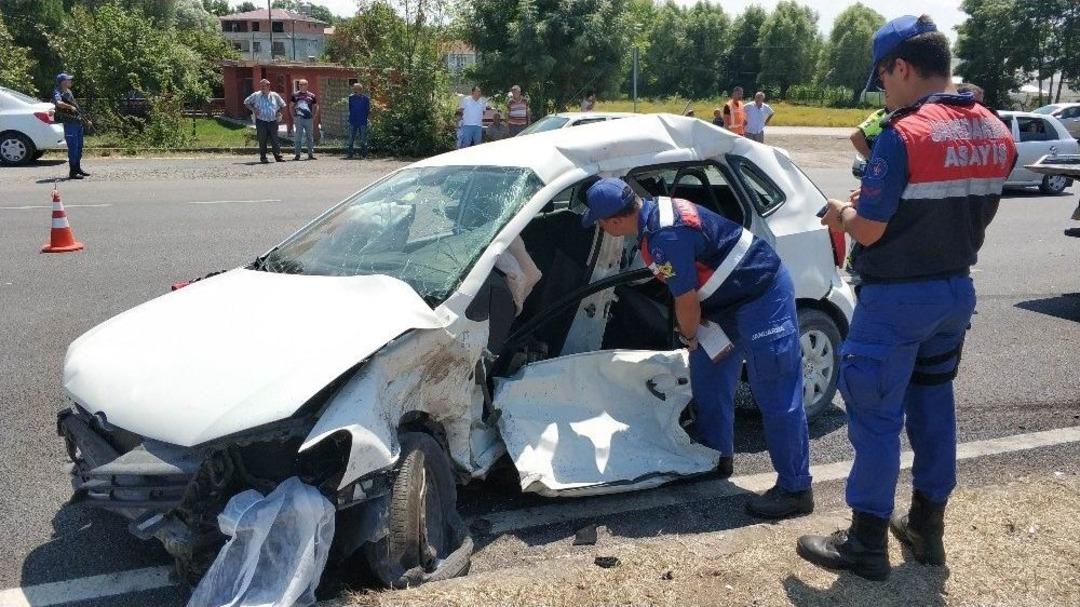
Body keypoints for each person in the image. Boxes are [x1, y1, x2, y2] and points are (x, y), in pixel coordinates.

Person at [797, 15, 1017, 581]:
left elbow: (868, 229)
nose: (884, 92)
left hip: (896, 301)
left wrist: (841, 211)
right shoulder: (996, 129)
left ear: (901, 67)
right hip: (954, 292)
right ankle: (927, 528)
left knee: (874, 417)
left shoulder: (902, 134)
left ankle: (866, 543)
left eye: (883, 79)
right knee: (934, 407)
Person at [581, 177, 814, 520]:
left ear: (615, 220)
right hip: (723, 302)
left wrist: (690, 337)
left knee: (776, 391)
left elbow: (686, 301)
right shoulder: (651, 215)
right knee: (708, 374)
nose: (600, 228)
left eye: (600, 222)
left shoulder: (665, 237)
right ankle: (713, 456)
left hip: (760, 294)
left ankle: (796, 490)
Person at [52, 73, 90, 180]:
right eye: (69, 80)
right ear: (63, 82)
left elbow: (76, 107)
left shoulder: (69, 92)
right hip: (69, 124)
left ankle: (78, 168)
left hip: (77, 122)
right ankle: (72, 172)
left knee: (79, 147)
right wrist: (69, 106)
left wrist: (85, 119)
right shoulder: (57, 92)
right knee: (73, 148)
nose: (70, 81)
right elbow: (58, 103)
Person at [244, 79, 286, 163]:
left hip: (273, 121)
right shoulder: (256, 95)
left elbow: (283, 105)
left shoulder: (275, 95)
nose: (262, 87)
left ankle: (278, 156)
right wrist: (253, 109)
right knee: (262, 140)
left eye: (264, 86)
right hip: (261, 121)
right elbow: (246, 102)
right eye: (261, 86)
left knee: (275, 140)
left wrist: (278, 112)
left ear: (268, 86)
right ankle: (263, 157)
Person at [290, 79, 317, 160]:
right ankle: (297, 155)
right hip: (299, 118)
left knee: (310, 136)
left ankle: (310, 154)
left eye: (303, 84)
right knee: (298, 136)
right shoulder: (295, 95)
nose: (301, 86)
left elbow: (316, 106)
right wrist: (293, 116)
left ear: (307, 85)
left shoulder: (312, 95)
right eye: (300, 84)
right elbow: (291, 105)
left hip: (309, 119)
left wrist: (314, 116)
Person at [346, 83, 371, 159]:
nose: (355, 91)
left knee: (363, 138)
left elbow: (367, 110)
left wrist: (365, 118)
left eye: (356, 90)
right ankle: (350, 154)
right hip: (353, 120)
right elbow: (350, 108)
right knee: (351, 138)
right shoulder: (351, 98)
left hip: (362, 120)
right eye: (354, 90)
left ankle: (364, 154)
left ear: (361, 90)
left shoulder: (366, 99)